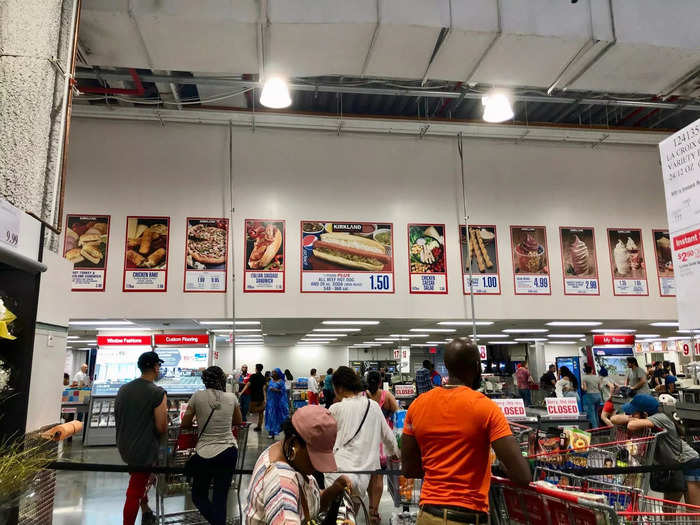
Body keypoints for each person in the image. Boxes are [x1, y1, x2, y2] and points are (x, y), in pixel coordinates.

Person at [402, 339, 531, 525]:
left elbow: (408, 468)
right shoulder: (486, 408)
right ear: (476, 366)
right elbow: (522, 475)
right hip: (467, 517)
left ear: (446, 366)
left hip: (428, 515)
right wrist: (503, 466)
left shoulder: (418, 405)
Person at [245, 405, 352, 525]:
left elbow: (307, 502)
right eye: (314, 458)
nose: (316, 467)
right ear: (294, 443)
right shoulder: (282, 481)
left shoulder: (284, 454)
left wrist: (332, 490)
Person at [325, 366, 399, 514]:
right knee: (351, 513)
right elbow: (388, 437)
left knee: (336, 515)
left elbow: (325, 441)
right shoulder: (373, 407)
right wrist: (395, 453)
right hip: (362, 475)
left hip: (338, 472)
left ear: (339, 388)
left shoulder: (335, 409)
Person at [612, 394, 700, 505]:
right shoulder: (646, 422)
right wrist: (631, 417)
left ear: (645, 413)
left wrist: (632, 420)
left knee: (692, 509)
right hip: (673, 467)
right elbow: (614, 419)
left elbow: (631, 426)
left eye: (633, 412)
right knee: (668, 508)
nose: (629, 414)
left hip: (689, 462)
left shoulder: (661, 418)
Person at [181, 366, 243, 525]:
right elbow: (238, 421)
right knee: (220, 496)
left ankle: (217, 522)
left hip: (204, 452)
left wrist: (198, 419)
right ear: (222, 379)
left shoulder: (197, 397)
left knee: (198, 495)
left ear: (204, 380)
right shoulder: (231, 398)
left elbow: (185, 423)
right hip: (228, 450)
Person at [115, 352, 167, 525]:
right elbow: (161, 426)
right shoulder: (157, 392)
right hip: (144, 448)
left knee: (141, 479)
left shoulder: (124, 389)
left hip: (125, 445)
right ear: (155, 367)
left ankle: (145, 510)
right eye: (158, 365)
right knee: (135, 489)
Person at [365, 370, 400, 523]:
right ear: (380, 382)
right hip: (381, 441)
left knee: (369, 475)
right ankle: (374, 510)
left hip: (366, 439)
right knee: (379, 476)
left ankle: (370, 506)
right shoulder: (386, 396)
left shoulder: (362, 396)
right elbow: (397, 413)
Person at [265, 368, 289, 439]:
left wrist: (276, 390)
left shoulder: (281, 382)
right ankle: (271, 432)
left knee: (279, 417)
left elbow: (283, 392)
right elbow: (268, 391)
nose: (272, 373)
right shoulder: (270, 381)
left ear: (278, 374)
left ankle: (281, 430)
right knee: (270, 417)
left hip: (278, 403)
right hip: (270, 403)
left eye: (274, 372)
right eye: (272, 372)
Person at [241, 364, 266, 432]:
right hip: (261, 396)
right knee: (261, 413)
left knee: (251, 410)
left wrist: (241, 392)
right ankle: (259, 426)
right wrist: (265, 398)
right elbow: (264, 389)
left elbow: (248, 385)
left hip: (254, 396)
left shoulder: (253, 376)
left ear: (256, 369)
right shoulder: (263, 377)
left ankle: (247, 423)